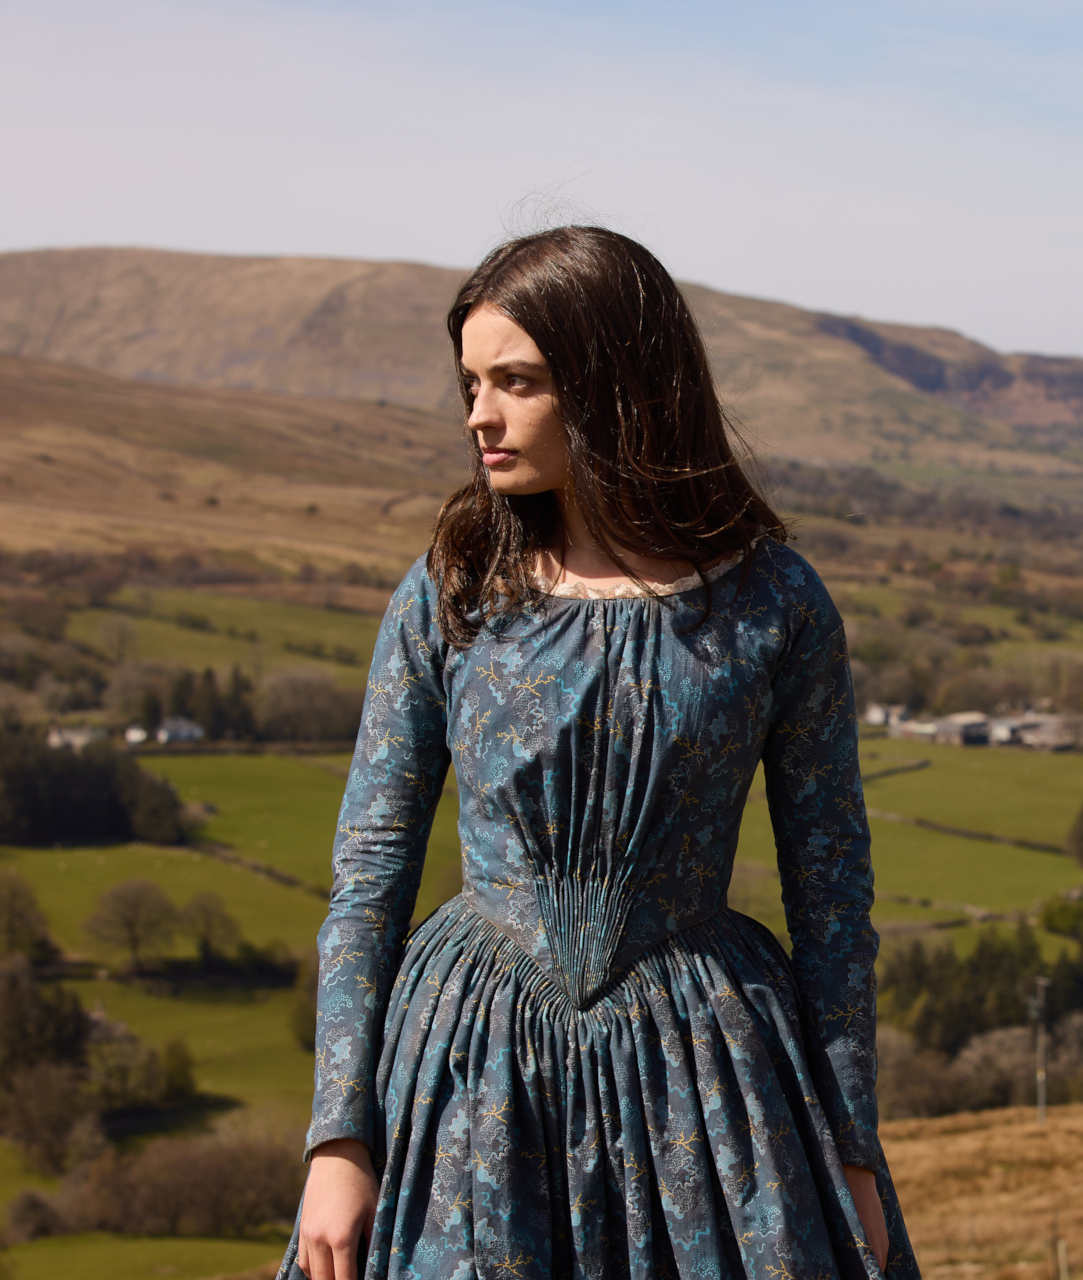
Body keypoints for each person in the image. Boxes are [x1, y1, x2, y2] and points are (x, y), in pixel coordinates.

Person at [281, 226, 912, 1280]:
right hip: (470, 1076)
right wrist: (339, 1139)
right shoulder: (452, 592)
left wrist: (850, 1147)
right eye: (471, 383)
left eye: (516, 381)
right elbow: (369, 878)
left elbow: (834, 893)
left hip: (710, 1085)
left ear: (615, 383)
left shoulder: (773, 604)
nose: (480, 413)